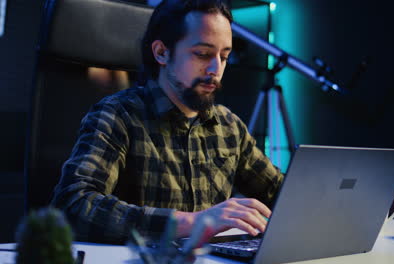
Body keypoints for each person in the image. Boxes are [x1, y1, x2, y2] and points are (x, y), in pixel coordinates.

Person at [51, 0, 283, 244]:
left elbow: (281, 193)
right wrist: (192, 222)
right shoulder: (117, 116)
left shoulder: (228, 125)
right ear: (162, 52)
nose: (216, 68)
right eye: (203, 54)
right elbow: (72, 205)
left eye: (224, 56)